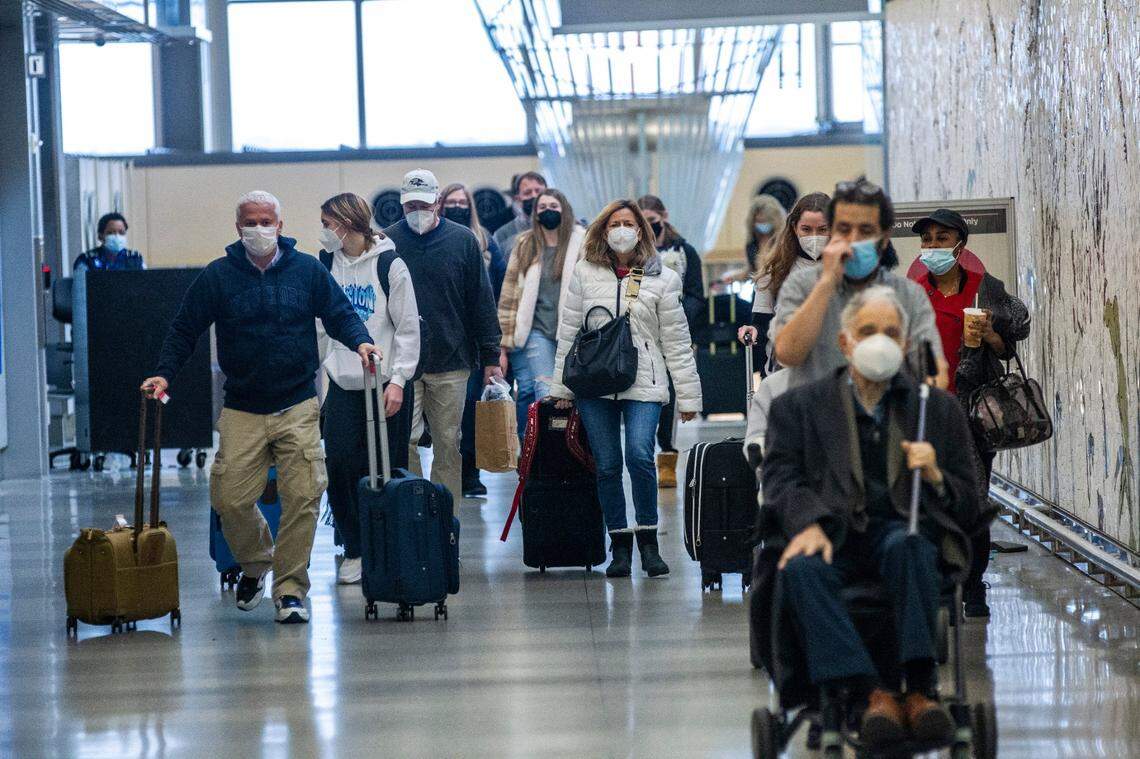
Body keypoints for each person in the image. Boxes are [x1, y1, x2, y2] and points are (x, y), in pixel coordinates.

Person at [142, 191, 376, 624]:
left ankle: (289, 590)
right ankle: (255, 564)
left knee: (304, 495)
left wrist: (361, 341)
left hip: (297, 404)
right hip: (243, 408)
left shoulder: (307, 271)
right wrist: (165, 373)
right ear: (238, 228)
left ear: (281, 226)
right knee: (229, 498)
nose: (259, 229)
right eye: (251, 221)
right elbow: (184, 329)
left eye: (267, 220)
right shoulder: (218, 276)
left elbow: (340, 312)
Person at [764, 285, 978, 748]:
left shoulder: (935, 410)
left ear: (904, 345)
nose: (879, 341)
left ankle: (919, 687)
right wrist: (810, 523)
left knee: (911, 546)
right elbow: (779, 479)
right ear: (845, 343)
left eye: (890, 333)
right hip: (833, 533)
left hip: (902, 531)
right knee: (799, 570)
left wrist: (937, 475)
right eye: (867, 331)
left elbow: (970, 497)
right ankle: (872, 692)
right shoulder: (798, 408)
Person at [549, 200, 702, 579]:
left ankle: (648, 541)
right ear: (603, 230)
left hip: (644, 381)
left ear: (641, 231)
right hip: (593, 383)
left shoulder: (663, 277)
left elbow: (677, 341)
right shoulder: (584, 273)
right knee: (607, 465)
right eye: (614, 223)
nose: (621, 229)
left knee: (639, 455)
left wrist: (689, 395)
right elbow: (568, 333)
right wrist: (560, 389)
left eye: (628, 223)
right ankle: (619, 545)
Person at [909, 208, 1030, 618]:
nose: (933, 248)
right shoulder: (912, 292)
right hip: (924, 410)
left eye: (941, 239)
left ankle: (973, 586)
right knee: (927, 500)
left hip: (974, 413)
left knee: (973, 500)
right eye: (927, 240)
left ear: (961, 244)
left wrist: (991, 334)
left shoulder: (984, 289)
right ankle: (941, 583)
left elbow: (1010, 343)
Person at [316, 192, 420, 586]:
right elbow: (321, 328)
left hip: (387, 384)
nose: (324, 231)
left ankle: (389, 546)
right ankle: (354, 548)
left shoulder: (390, 264)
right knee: (340, 466)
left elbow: (408, 328)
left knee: (388, 469)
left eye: (327, 223)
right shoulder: (326, 264)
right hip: (343, 383)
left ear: (346, 223)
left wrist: (399, 380)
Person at [383, 169, 503, 501]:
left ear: (438, 201)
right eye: (410, 206)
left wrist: (491, 356)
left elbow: (481, 300)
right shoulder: (386, 243)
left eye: (423, 204)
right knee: (403, 440)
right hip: (404, 364)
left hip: (452, 360)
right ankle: (416, 508)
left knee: (448, 443)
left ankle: (445, 523)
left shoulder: (463, 240)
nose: (416, 212)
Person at [771, 177, 949, 391]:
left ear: (883, 239)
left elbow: (935, 372)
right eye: (844, 229)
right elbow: (787, 354)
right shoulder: (801, 285)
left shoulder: (908, 295)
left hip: (887, 415)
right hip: (817, 417)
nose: (853, 240)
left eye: (865, 231)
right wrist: (826, 283)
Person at [498, 188, 585, 440]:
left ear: (565, 210)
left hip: (573, 330)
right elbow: (509, 294)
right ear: (535, 213)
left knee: (572, 394)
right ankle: (540, 452)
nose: (548, 211)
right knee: (545, 390)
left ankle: (570, 449)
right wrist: (502, 344)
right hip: (536, 330)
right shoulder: (525, 244)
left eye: (554, 206)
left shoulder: (582, 242)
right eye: (543, 207)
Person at [439, 182, 507, 497]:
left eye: (461, 202)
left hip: (477, 339)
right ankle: (450, 474)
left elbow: (497, 293)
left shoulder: (486, 242)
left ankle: (471, 473)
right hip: (447, 337)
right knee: (454, 412)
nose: (457, 207)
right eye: (450, 202)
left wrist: (496, 346)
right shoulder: (438, 242)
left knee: (474, 410)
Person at [636, 194, 705, 488]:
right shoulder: (634, 253)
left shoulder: (685, 250)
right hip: (641, 333)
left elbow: (696, 294)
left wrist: (676, 319)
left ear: (663, 216)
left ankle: (667, 455)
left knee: (669, 397)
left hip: (675, 330)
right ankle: (642, 454)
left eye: (653, 220)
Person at [738, 192, 830, 371]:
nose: (814, 236)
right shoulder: (774, 269)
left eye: (822, 229)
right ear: (795, 228)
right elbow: (761, 322)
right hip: (787, 365)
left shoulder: (847, 267)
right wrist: (753, 330)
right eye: (806, 229)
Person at [723, 194, 785, 283]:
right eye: (758, 221)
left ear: (775, 220)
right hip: (759, 292)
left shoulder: (784, 242)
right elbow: (751, 271)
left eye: (765, 221)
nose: (762, 224)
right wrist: (733, 276)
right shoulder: (752, 243)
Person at [492, 171, 547, 257]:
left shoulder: (562, 227)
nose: (534, 196)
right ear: (517, 199)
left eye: (538, 191)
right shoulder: (502, 235)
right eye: (527, 193)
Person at [74, 212, 145, 271]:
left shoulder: (135, 258)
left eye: (121, 232)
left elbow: (146, 284)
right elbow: (79, 287)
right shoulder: (87, 260)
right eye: (110, 233)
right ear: (100, 236)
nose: (117, 236)